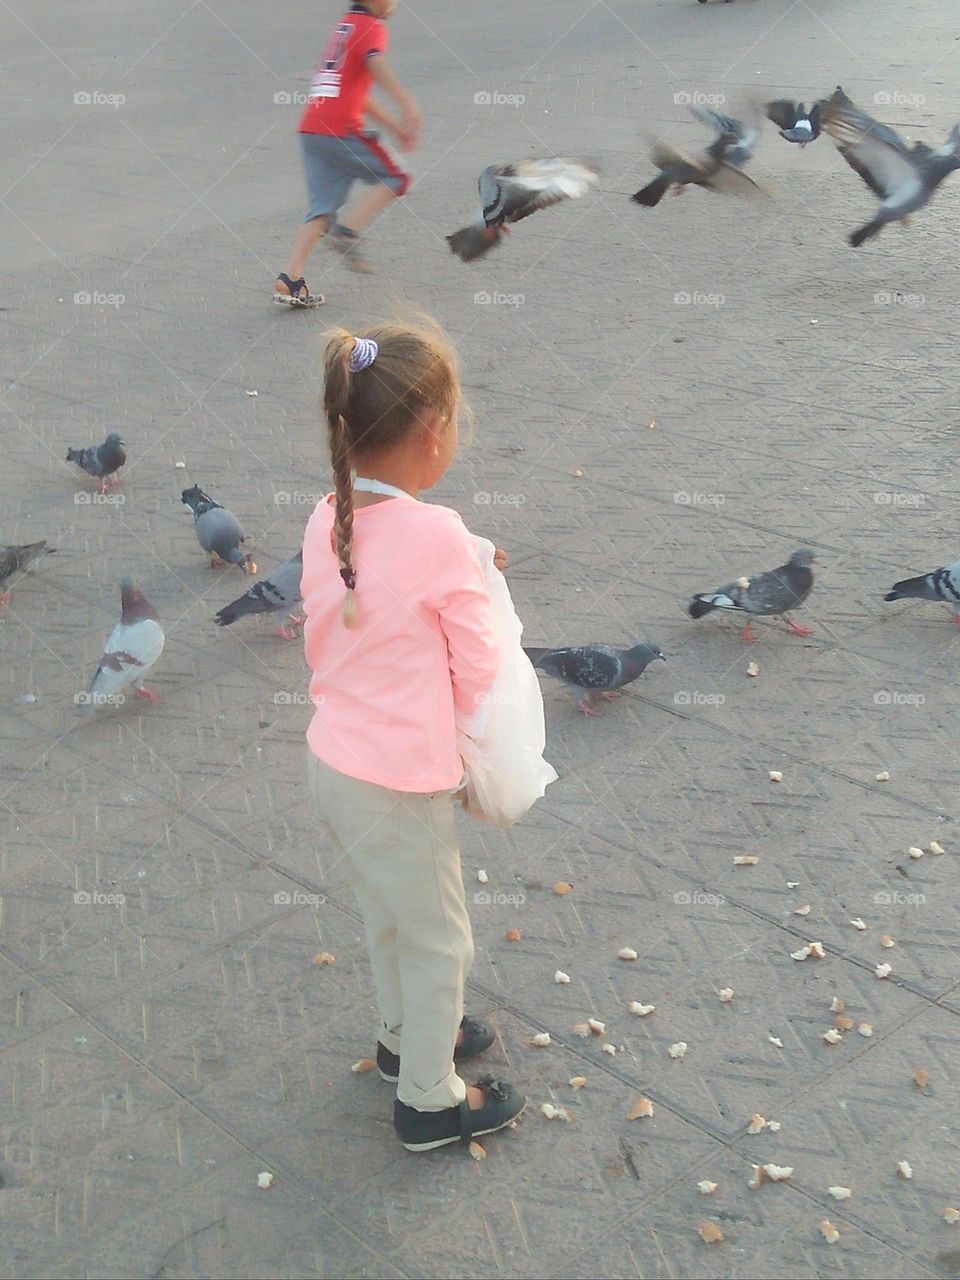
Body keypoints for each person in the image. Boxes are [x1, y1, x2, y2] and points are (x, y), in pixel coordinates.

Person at [301, 319, 527, 1150]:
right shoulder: (437, 537)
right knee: (440, 939)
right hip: (398, 783)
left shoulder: (330, 512)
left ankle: (403, 1041)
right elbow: (478, 664)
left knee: (388, 915)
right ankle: (429, 1101)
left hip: (333, 764)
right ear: (435, 432)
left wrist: (466, 567)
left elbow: (371, 606)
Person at [274, 0, 420, 306]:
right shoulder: (372, 28)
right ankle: (349, 230)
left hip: (312, 130)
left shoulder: (344, 27)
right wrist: (406, 103)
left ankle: (290, 278)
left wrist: (394, 126)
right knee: (399, 176)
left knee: (322, 209)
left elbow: (358, 94)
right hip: (340, 129)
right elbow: (374, 64)